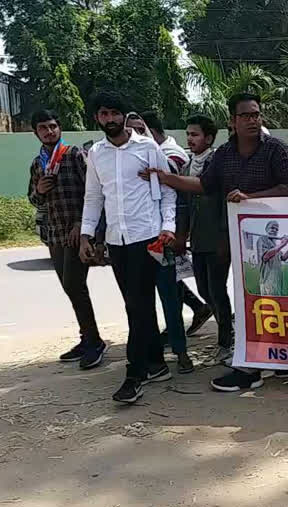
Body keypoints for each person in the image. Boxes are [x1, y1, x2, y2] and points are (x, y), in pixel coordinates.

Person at [141, 92, 288, 391]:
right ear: (232, 121)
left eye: (256, 114)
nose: (253, 120)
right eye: (246, 115)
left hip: (273, 239)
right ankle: (254, 361)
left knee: (270, 300)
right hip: (234, 238)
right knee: (242, 299)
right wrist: (165, 178)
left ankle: (265, 364)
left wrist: (250, 200)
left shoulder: (277, 150)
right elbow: (204, 185)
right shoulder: (225, 155)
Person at [80, 91, 177, 404]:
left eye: (114, 113)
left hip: (147, 237)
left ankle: (134, 376)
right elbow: (94, 197)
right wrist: (86, 235)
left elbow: (167, 189)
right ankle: (157, 364)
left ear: (124, 115)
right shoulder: (96, 153)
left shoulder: (148, 147)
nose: (109, 119)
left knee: (136, 305)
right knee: (138, 305)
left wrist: (168, 227)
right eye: (103, 114)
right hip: (116, 241)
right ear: (97, 117)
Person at [27, 109, 106, 369]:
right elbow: (33, 199)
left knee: (75, 285)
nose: (49, 131)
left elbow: (94, 192)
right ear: (35, 132)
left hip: (76, 233)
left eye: (52, 126)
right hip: (54, 234)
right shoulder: (38, 164)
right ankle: (87, 338)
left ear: (59, 128)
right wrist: (39, 190)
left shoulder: (74, 155)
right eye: (43, 128)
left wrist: (82, 224)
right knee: (69, 288)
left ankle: (94, 342)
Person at [124, 112, 192, 374]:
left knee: (170, 297)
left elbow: (172, 196)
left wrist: (172, 231)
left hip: (159, 240)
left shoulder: (159, 156)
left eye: (141, 129)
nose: (136, 134)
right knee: (138, 301)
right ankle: (147, 355)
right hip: (130, 241)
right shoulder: (117, 159)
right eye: (132, 130)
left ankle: (181, 351)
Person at [136, 111, 214, 337]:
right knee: (185, 281)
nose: (190, 139)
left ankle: (222, 335)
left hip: (206, 233)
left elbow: (189, 191)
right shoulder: (190, 161)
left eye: (140, 131)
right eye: (188, 134)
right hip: (176, 230)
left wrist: (176, 229)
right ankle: (189, 317)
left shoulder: (172, 155)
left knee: (210, 288)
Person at [181, 114, 236, 367]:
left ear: (209, 138)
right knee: (203, 289)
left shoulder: (218, 163)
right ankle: (228, 326)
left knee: (216, 288)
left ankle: (226, 340)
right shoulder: (187, 166)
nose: (190, 139)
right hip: (199, 239)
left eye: (195, 134)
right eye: (188, 134)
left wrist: (225, 236)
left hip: (218, 238)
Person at [256, 221, 288, 296]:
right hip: (267, 280)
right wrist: (282, 244)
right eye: (272, 228)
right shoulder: (262, 239)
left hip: (277, 278)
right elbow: (266, 256)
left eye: (276, 229)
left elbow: (283, 258)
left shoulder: (275, 244)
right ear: (266, 229)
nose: (274, 230)